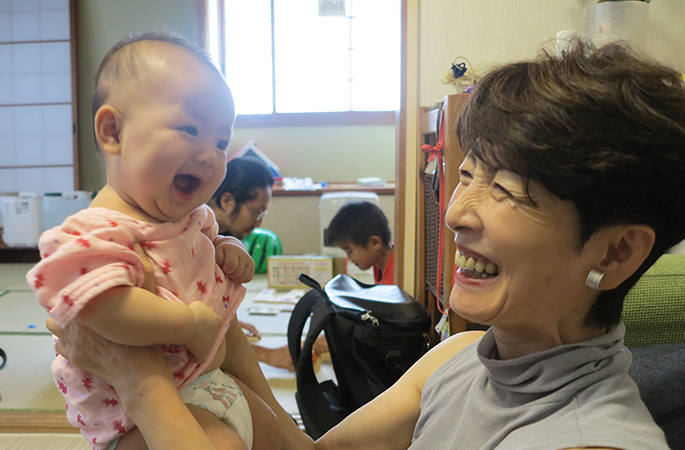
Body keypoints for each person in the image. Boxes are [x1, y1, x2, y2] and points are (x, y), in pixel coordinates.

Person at [48, 38, 685, 450]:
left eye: (509, 191)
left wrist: (139, 381)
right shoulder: (458, 357)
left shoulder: (592, 441)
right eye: (467, 175)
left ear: (615, 252)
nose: (458, 213)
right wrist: (220, 348)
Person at [27, 33, 279, 450]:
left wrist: (227, 250)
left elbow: (202, 257)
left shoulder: (191, 218)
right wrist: (189, 323)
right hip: (135, 420)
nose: (211, 154)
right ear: (113, 132)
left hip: (211, 383)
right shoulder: (91, 232)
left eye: (220, 141)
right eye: (190, 129)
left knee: (272, 431)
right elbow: (102, 309)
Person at [208, 157, 300, 371]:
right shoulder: (198, 240)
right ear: (227, 201)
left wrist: (231, 322)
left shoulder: (224, 237)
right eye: (256, 212)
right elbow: (196, 331)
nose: (259, 223)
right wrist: (268, 355)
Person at [326, 201, 395, 285]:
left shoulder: (394, 278)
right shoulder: (381, 257)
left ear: (375, 243)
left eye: (350, 252)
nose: (349, 259)